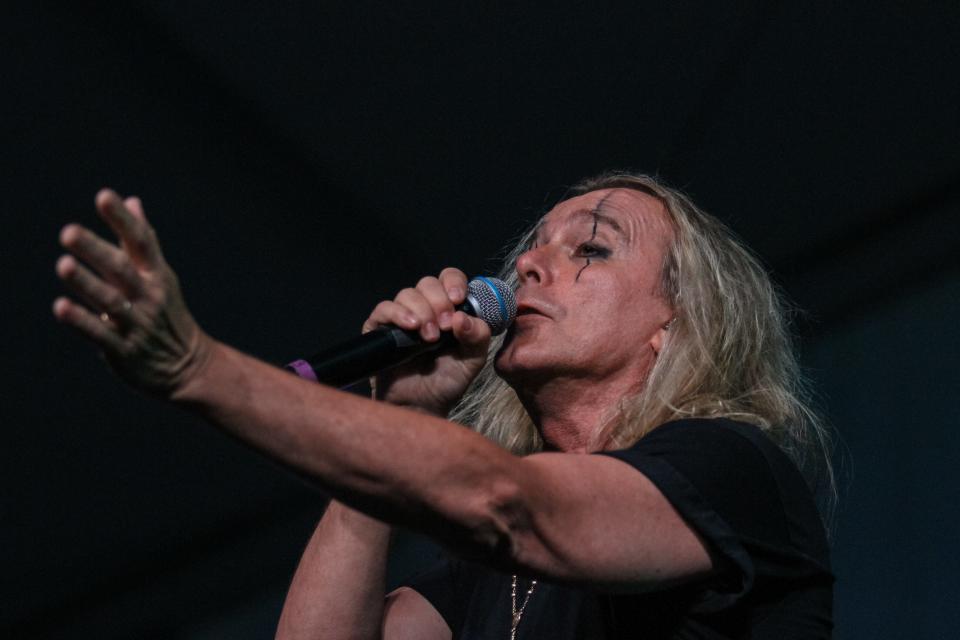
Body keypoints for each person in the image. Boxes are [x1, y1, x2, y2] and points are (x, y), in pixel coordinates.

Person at [53, 172, 834, 639]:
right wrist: (400, 414)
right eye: (536, 245)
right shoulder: (487, 577)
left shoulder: (733, 468)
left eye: (590, 247)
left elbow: (507, 502)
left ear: (678, 325)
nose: (530, 263)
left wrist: (200, 369)